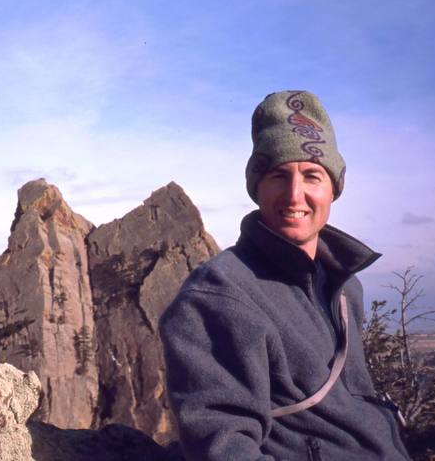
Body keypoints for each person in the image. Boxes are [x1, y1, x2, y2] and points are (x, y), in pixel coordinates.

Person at [159, 91, 409, 460]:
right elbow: (223, 445)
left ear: (333, 188)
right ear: (257, 187)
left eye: (312, 176)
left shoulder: (343, 285)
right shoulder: (218, 294)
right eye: (278, 176)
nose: (295, 195)